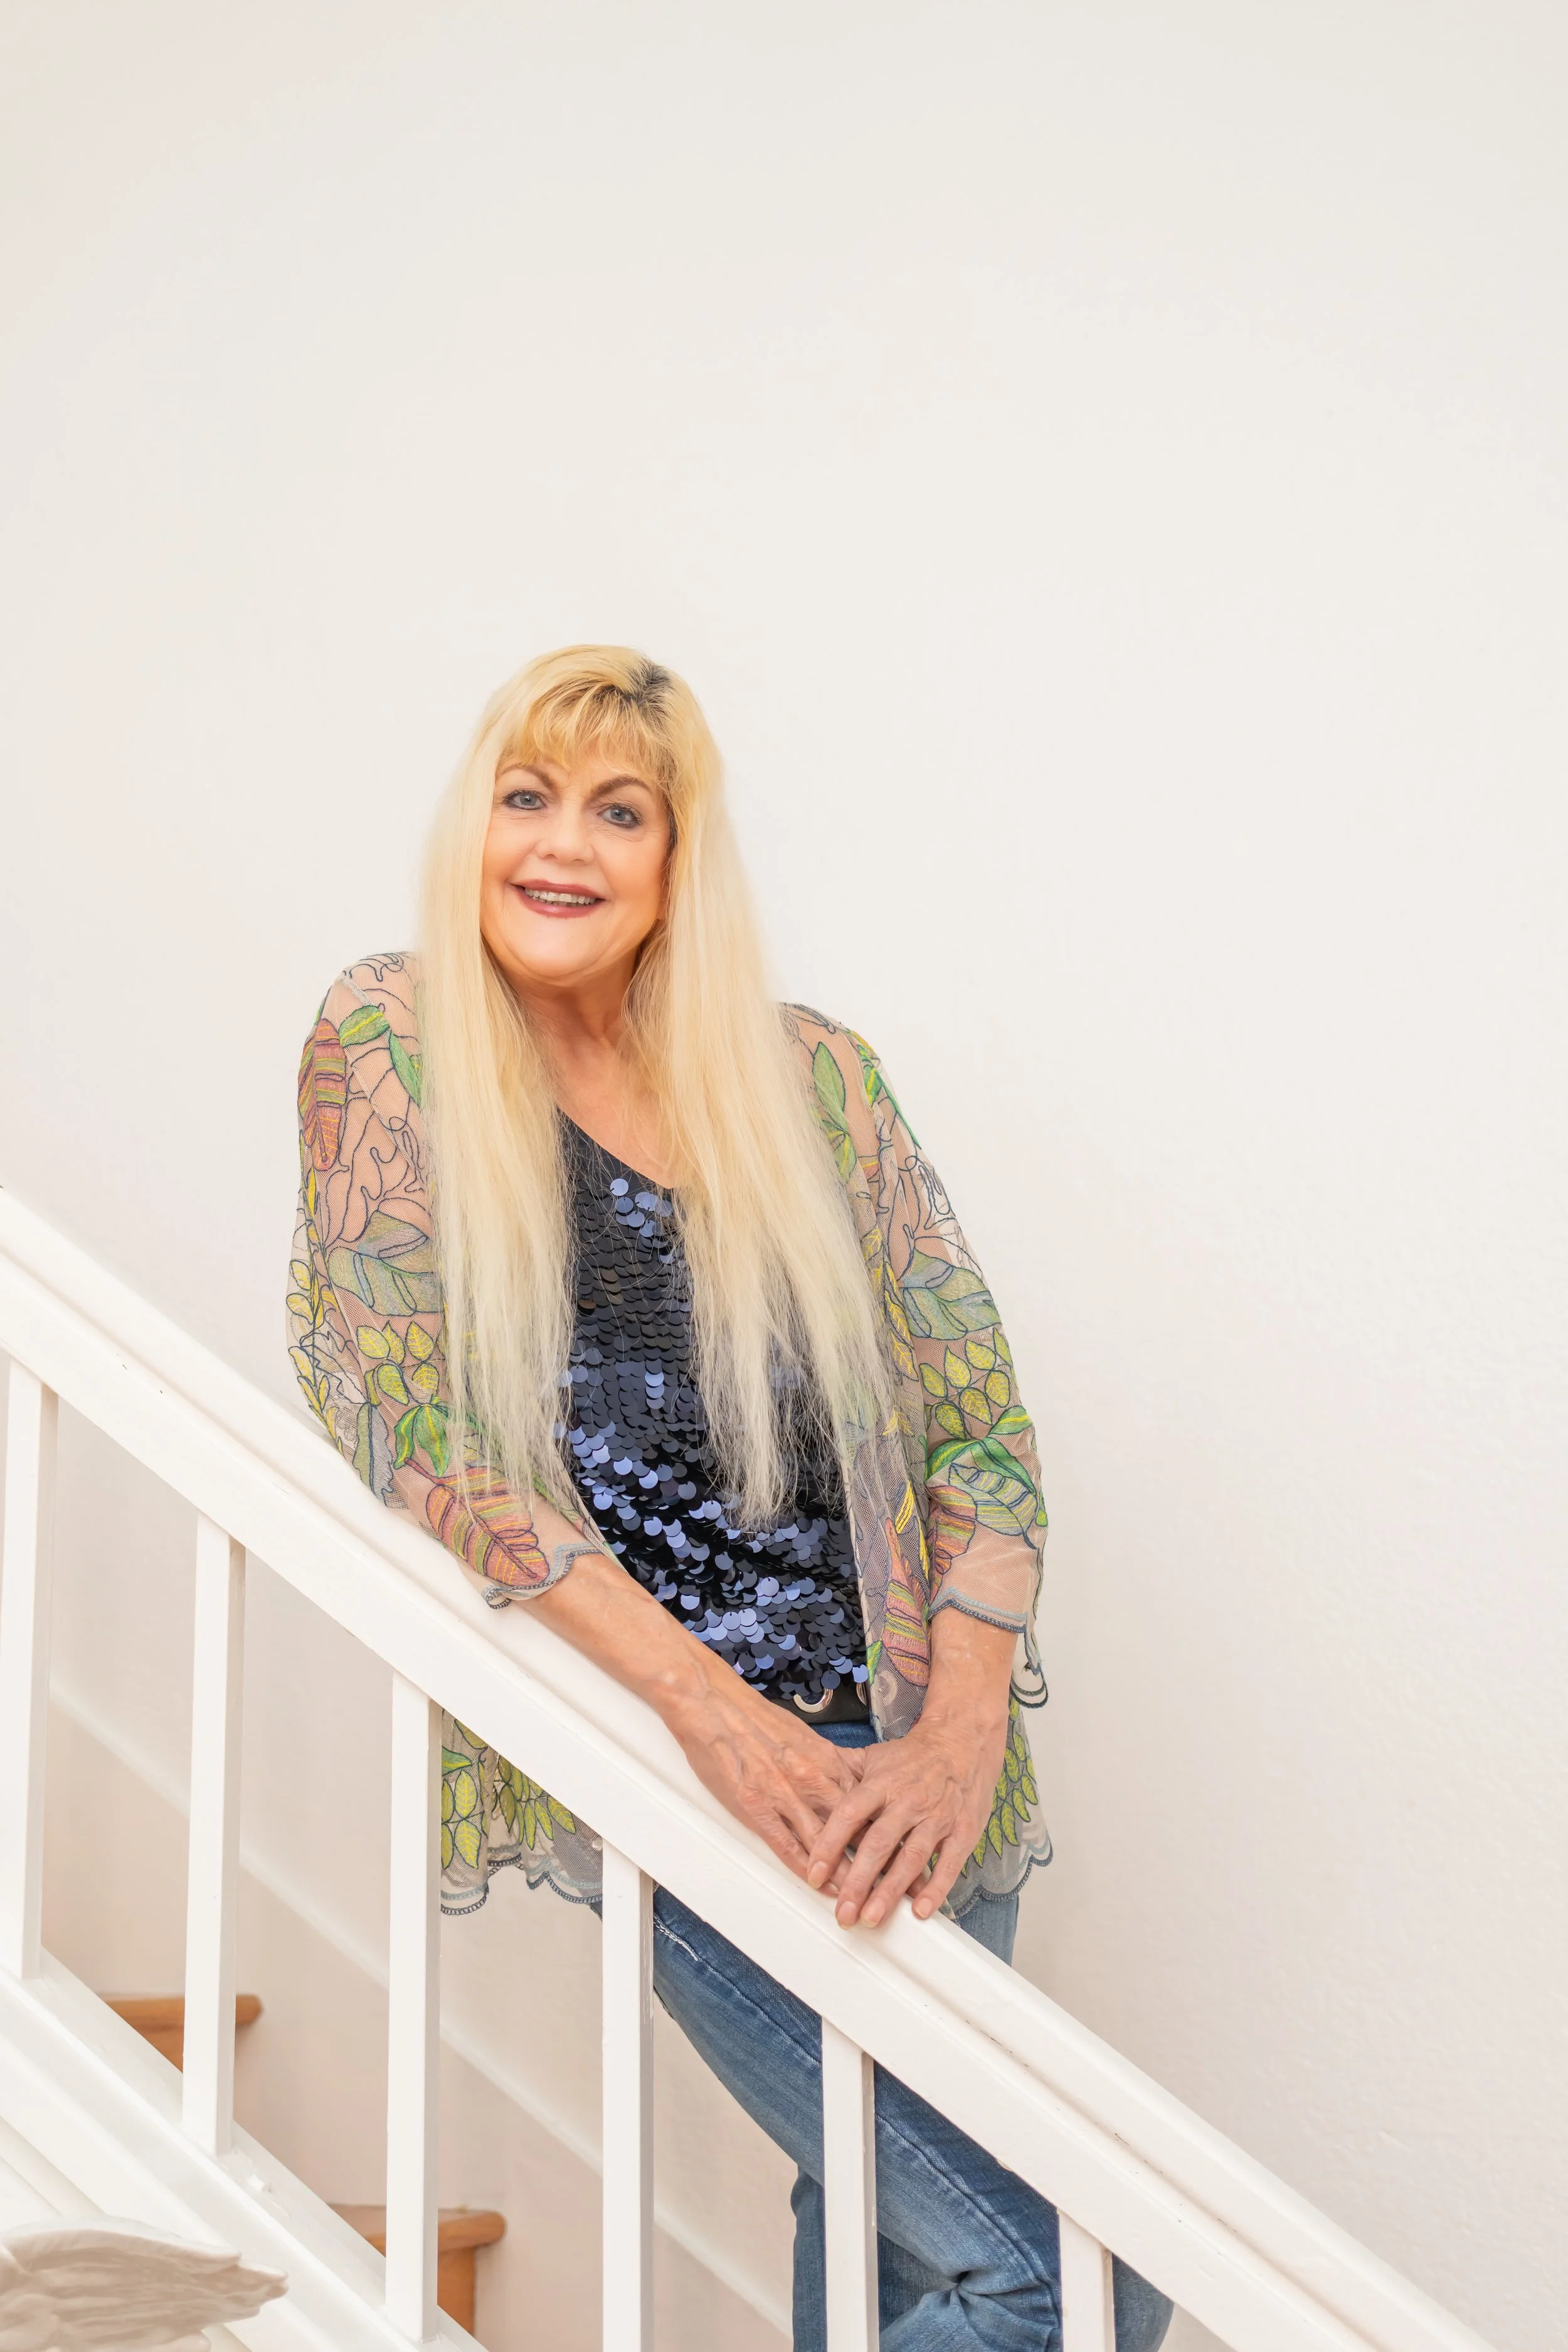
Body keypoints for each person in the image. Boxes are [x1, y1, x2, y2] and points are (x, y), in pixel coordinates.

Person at [288, 646, 1172, 2350]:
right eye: (525, 794)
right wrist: (713, 1722)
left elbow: (979, 1429)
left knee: (901, 2260)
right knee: (1055, 2283)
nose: (563, 843)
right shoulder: (390, 1036)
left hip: (922, 1783)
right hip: (703, 1781)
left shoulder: (813, 1077)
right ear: (473, 821)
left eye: (621, 809)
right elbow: (408, 1419)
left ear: (679, 858)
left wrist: (958, 1732)